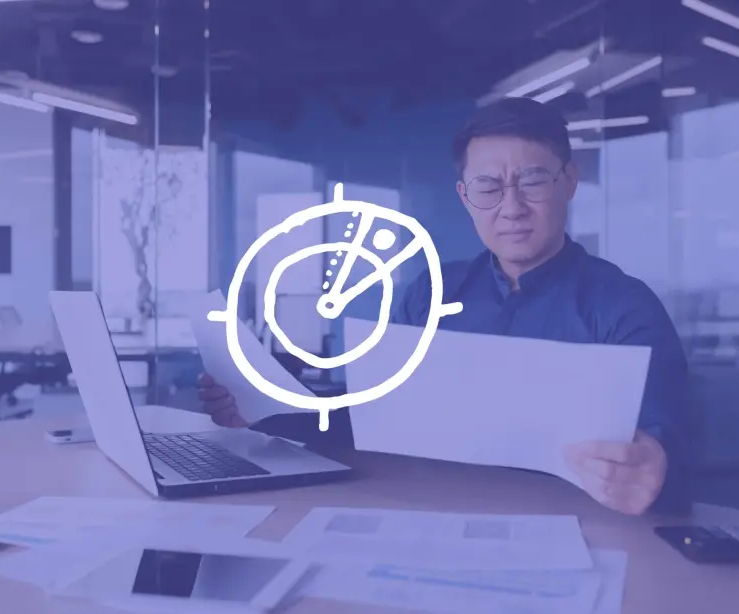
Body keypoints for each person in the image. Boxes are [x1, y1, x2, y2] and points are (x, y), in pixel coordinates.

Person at [198, 97, 692, 516]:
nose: (512, 206)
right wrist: (264, 408)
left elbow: (665, 440)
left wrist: (655, 464)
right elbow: (372, 415)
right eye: (489, 187)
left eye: (534, 181)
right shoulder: (431, 292)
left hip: (577, 529)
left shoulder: (624, 307)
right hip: (429, 516)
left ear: (568, 182)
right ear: (464, 196)